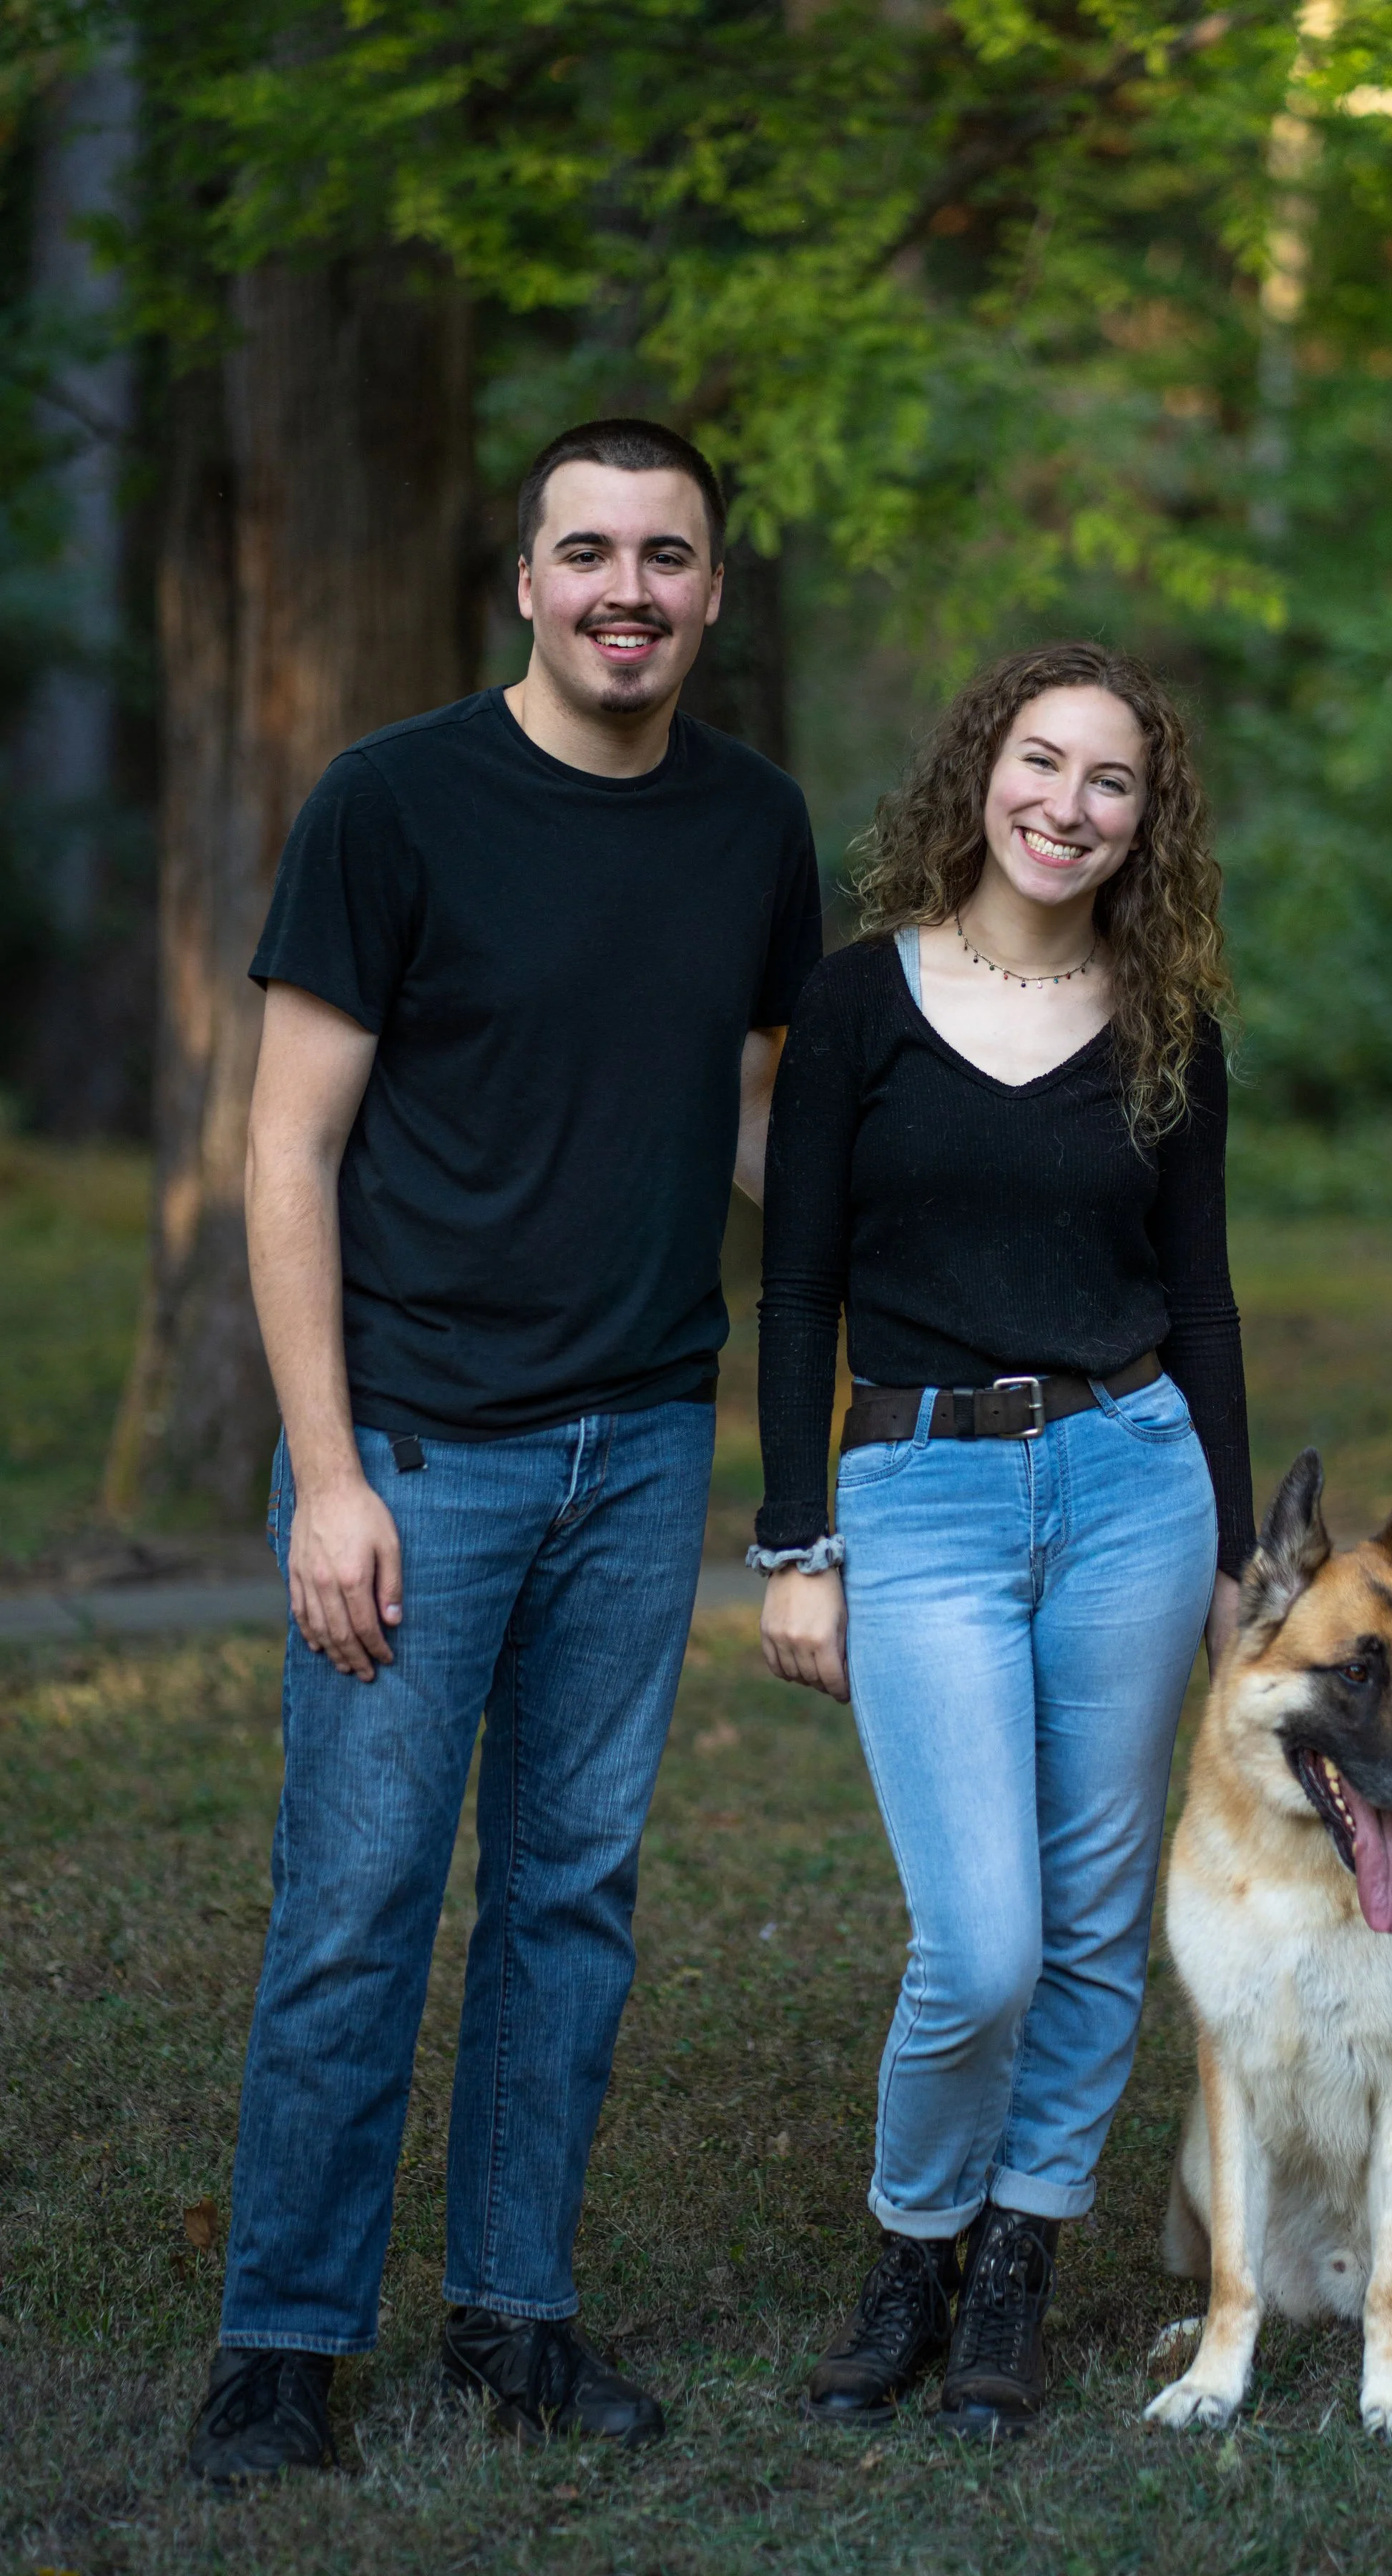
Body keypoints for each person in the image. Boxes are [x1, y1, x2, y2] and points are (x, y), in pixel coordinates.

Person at [187, 419, 823, 2484]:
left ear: (714, 589)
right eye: (588, 552)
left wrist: (951, 1230)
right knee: (359, 1904)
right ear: (525, 583)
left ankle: (513, 2319)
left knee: (570, 1898)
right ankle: (283, 2345)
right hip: (420, 1460)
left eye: (666, 555)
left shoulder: (756, 825)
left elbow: (747, 1122)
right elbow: (288, 1145)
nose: (626, 588)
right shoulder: (396, 805)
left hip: (639, 1450)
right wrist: (332, 1471)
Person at [752, 640, 1253, 2439]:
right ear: (982, 773)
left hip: (1135, 1479)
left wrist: (1234, 1572)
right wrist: (793, 1544)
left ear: (1147, 818)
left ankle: (1022, 2252)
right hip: (923, 1498)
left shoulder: (1172, 1023)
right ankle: (914, 2244)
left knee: (1096, 1918)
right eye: (1042, 764)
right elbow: (797, 1285)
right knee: (980, 1942)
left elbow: (1204, 1309)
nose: (1069, 806)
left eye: (1111, 781)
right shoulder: (859, 1005)